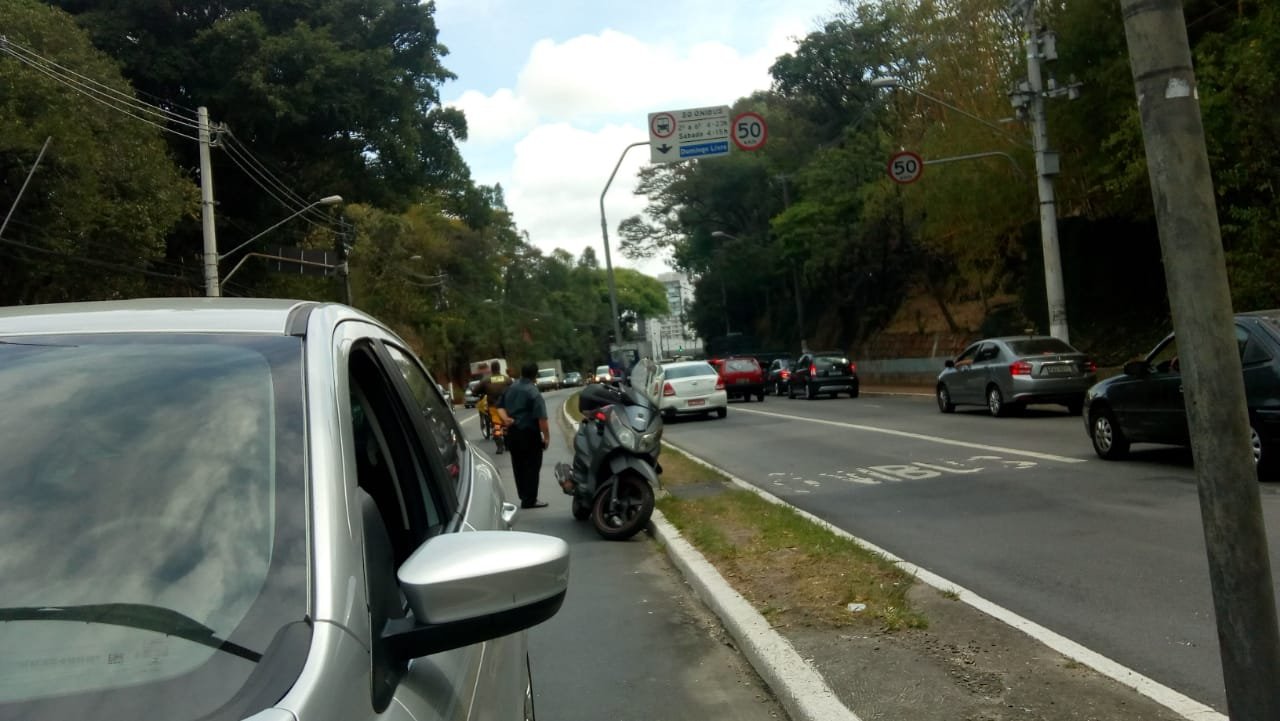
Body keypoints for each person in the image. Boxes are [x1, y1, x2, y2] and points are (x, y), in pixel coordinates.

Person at [497, 362, 550, 509]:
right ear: (535, 375)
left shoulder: (510, 388)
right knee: (532, 466)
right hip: (529, 434)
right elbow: (542, 419)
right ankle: (530, 499)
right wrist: (546, 437)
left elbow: (499, 406)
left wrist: (505, 418)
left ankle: (523, 495)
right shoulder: (533, 392)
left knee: (518, 465)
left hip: (512, 433)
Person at [475, 361, 512, 454]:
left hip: (493, 407)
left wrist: (481, 392)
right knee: (506, 424)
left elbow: (475, 391)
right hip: (506, 407)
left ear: (491, 369)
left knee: (496, 426)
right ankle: (508, 445)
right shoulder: (507, 379)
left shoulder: (486, 380)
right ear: (499, 368)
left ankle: (500, 447)